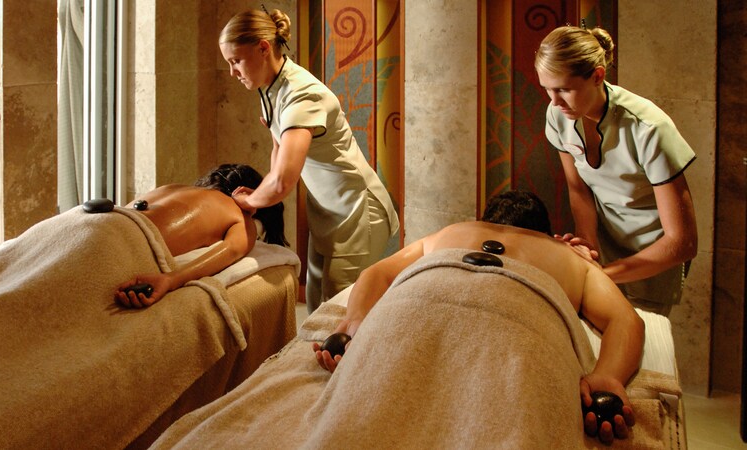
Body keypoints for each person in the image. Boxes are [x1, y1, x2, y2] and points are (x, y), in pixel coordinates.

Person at [313, 190, 645, 445]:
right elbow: (625, 320)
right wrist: (607, 377)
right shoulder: (569, 256)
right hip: (520, 325)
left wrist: (354, 323)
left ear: (483, 220)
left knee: (362, 419)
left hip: (416, 302)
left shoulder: (450, 233)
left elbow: (376, 273)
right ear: (547, 233)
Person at [219, 8, 399, 313]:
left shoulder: (302, 96)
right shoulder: (270, 88)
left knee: (340, 315)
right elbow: (278, 152)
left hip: (356, 211)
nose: (232, 72)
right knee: (317, 307)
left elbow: (282, 181)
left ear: (263, 48)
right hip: (328, 211)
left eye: (235, 61)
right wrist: (259, 193)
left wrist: (249, 202)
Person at [534, 25, 697, 316]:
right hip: (604, 243)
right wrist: (587, 247)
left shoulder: (649, 129)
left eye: (564, 89)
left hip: (651, 255)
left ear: (598, 76)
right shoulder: (558, 115)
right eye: (547, 89)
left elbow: (682, 242)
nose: (554, 101)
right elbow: (578, 188)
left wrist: (600, 274)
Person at [115, 164, 287, 308]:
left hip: (107, 218)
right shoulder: (242, 216)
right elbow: (232, 250)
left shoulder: (171, 188)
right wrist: (169, 280)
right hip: (127, 244)